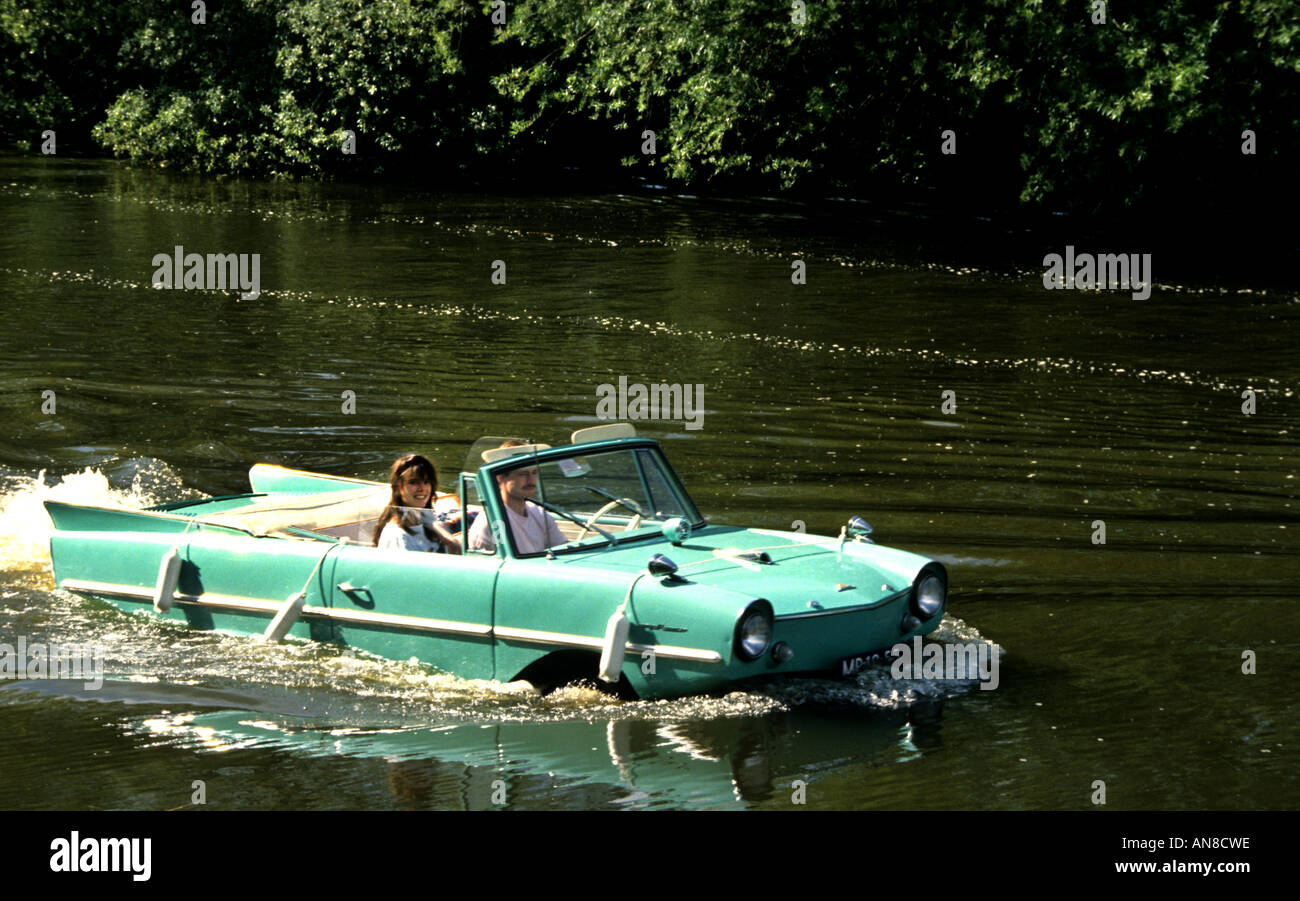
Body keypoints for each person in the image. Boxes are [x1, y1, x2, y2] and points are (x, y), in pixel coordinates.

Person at [467, 444, 564, 554]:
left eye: (534, 472)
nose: (531, 480)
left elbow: (562, 548)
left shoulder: (539, 513)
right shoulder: (492, 523)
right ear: (500, 477)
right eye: (523, 474)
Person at [373, 453, 462, 553]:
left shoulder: (425, 521)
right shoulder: (397, 536)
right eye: (413, 482)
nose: (422, 488)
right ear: (398, 487)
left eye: (426, 482)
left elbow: (453, 547)